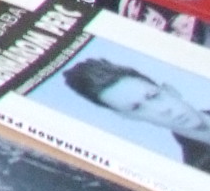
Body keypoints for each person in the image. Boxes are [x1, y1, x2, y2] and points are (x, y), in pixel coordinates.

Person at [63, 57, 210, 171]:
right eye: (136, 108)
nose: (162, 110)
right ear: (128, 117)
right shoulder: (199, 169)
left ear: (170, 90)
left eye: (153, 96)